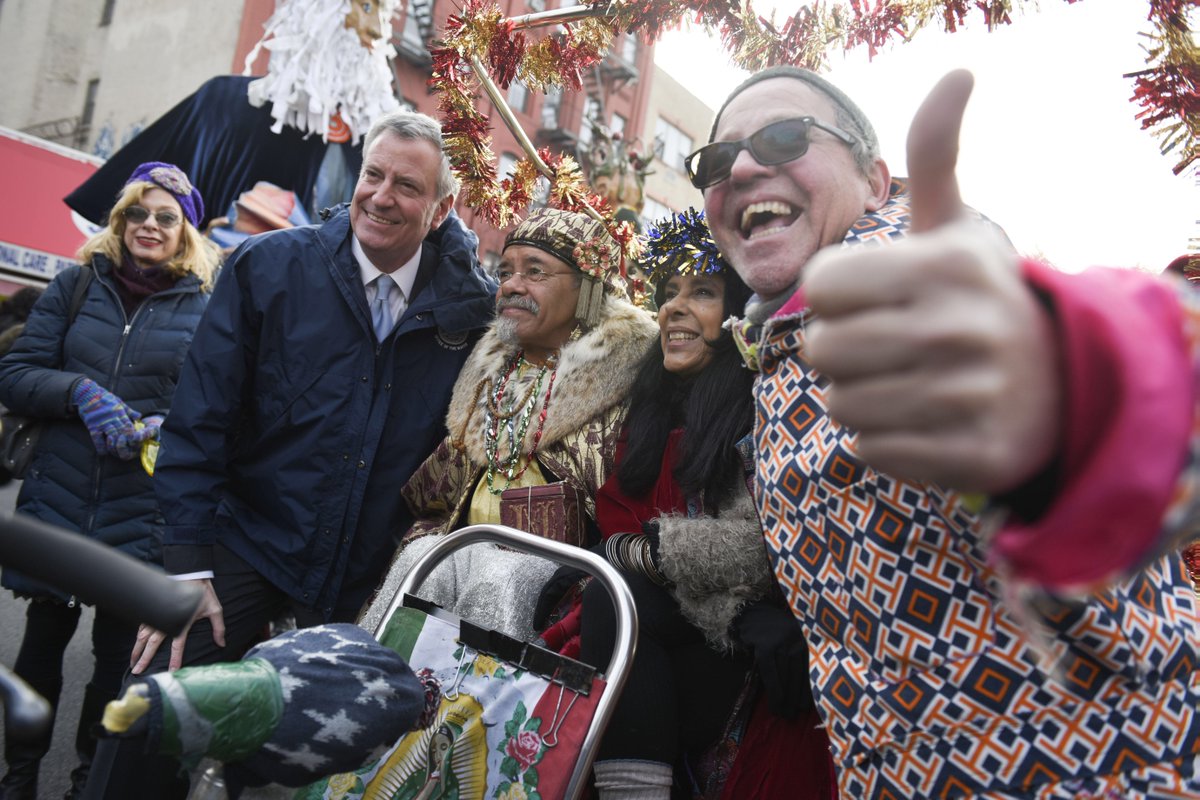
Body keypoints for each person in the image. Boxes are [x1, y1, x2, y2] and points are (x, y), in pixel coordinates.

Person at [696, 65, 1200, 797]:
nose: (742, 167)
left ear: (875, 182)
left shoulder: (928, 289)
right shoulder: (775, 350)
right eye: (717, 161)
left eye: (783, 137)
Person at [85, 110, 496, 799]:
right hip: (250, 540)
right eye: (374, 174)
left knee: (328, 768)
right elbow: (197, 426)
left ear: (443, 207)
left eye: (407, 186)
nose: (381, 196)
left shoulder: (471, 311)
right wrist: (186, 570)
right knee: (155, 704)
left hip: (365, 577)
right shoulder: (268, 267)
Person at [573, 209, 835, 799]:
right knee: (611, 600)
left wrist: (659, 555)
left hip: (767, 651)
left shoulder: (772, 400)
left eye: (703, 292)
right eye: (668, 293)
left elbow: (768, 544)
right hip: (688, 625)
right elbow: (617, 542)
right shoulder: (649, 409)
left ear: (741, 311)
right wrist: (730, 611)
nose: (674, 308)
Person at [0, 161, 218, 800]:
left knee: (115, 662)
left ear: (187, 232)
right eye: (138, 214)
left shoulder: (204, 309)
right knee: (41, 648)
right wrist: (80, 392)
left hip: (141, 509)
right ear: (119, 222)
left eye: (166, 217)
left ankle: (84, 780)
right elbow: (14, 373)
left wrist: (161, 426)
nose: (150, 225)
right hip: (59, 503)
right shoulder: (74, 286)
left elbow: (210, 410)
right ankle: (17, 776)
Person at [360, 207, 657, 640]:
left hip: (557, 579)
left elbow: (627, 522)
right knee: (419, 562)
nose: (512, 286)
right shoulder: (487, 372)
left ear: (588, 288)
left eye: (535, 272)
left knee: (501, 580)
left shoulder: (632, 382)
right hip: (463, 546)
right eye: (505, 273)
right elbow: (437, 499)